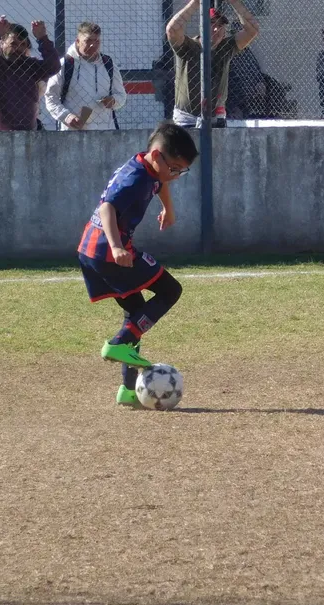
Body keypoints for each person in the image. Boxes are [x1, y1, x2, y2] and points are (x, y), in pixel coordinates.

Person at [76, 122, 198, 407]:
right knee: (170, 290)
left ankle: (128, 391)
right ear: (157, 156)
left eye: (182, 171)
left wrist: (168, 208)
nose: (177, 175)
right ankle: (119, 343)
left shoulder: (149, 169)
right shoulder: (135, 178)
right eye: (176, 168)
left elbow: (161, 183)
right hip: (108, 250)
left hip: (89, 250)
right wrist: (117, 247)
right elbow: (108, 206)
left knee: (135, 312)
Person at [166, 0, 259, 127]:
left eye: (221, 25)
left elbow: (252, 30)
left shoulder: (226, 47)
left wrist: (234, 2)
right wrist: (195, 3)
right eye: (211, 23)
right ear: (202, 25)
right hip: (187, 120)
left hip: (216, 117)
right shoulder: (188, 46)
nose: (216, 28)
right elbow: (172, 29)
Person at [0, 16, 60, 131]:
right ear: (2, 43)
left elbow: (53, 66)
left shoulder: (29, 65)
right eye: (13, 43)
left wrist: (42, 38)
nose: (18, 48)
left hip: (27, 134)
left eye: (22, 45)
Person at [44, 21, 127, 131]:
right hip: (72, 132)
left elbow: (121, 95)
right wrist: (67, 117)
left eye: (96, 41)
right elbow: (51, 97)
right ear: (78, 42)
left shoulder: (108, 64)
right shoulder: (65, 65)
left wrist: (113, 101)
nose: (93, 45)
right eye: (88, 41)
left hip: (105, 132)